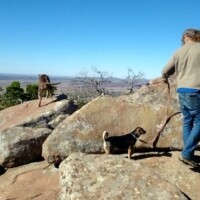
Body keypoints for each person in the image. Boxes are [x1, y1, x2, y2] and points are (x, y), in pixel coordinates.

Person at [162, 28, 200, 167]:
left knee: (188, 121)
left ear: (185, 37)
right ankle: (186, 153)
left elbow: (165, 70)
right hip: (197, 89)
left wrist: (164, 77)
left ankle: (188, 153)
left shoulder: (178, 51)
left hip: (182, 90)